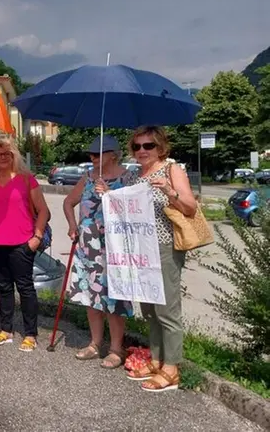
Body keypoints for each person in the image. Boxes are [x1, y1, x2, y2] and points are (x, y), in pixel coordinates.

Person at [126, 125, 196, 392]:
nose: (142, 151)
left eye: (148, 146)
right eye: (137, 146)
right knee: (150, 310)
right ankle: (156, 360)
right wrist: (107, 195)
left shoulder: (171, 170)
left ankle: (172, 368)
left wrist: (169, 191)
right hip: (141, 251)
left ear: (160, 147)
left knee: (167, 310)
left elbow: (190, 207)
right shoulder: (135, 176)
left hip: (166, 247)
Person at [63, 135, 136, 368]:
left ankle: (115, 349)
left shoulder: (128, 178)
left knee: (115, 298)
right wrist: (73, 226)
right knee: (91, 296)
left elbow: (135, 213)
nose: (92, 158)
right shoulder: (87, 178)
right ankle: (95, 344)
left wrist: (110, 194)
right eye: (91, 154)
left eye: (98, 154)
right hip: (89, 246)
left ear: (113, 154)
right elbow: (68, 202)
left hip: (116, 246)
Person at [0, 136, 50, 352]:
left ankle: (30, 334)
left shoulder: (26, 179)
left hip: (22, 243)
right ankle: (6, 330)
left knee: (25, 288)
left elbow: (44, 211)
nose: (2, 157)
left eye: (7, 153)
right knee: (3, 287)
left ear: (14, 156)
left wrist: (36, 238)